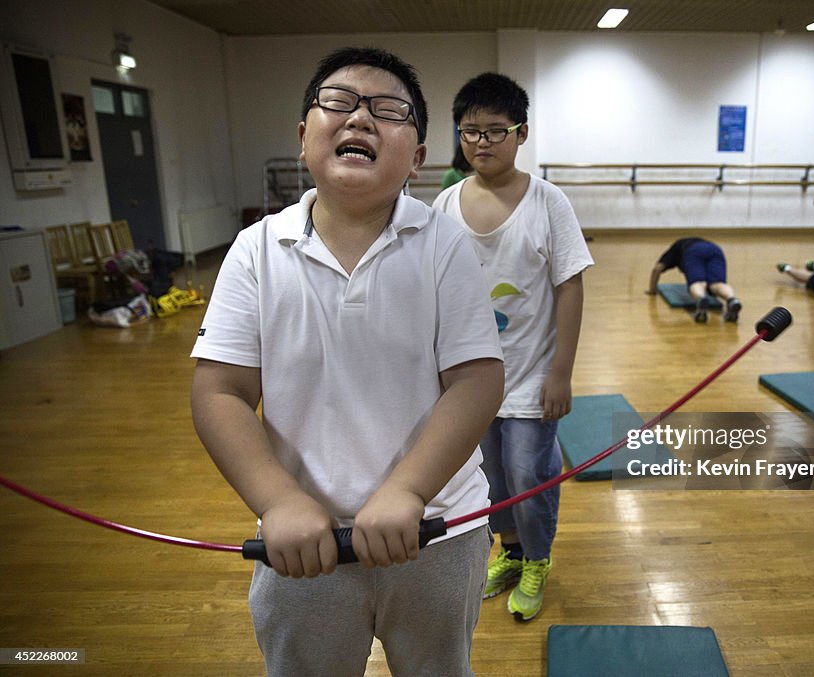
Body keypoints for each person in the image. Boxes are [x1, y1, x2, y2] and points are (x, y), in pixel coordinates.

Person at [190, 47, 505, 676]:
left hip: (437, 530)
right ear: (304, 138)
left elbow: (476, 379)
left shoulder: (445, 244)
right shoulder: (257, 249)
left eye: (389, 111)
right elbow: (219, 391)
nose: (360, 119)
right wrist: (277, 500)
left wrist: (410, 488)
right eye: (338, 102)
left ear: (417, 158)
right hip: (304, 544)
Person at [433, 72, 593, 622]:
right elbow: (434, 292)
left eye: (495, 131)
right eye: (470, 131)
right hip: (470, 379)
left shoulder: (549, 202)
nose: (481, 141)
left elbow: (569, 284)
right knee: (490, 478)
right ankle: (513, 551)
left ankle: (539, 559)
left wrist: (562, 373)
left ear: (521, 133)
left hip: (531, 374)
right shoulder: (445, 204)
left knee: (529, 473)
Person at [646, 237, 742, 323]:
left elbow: (657, 269)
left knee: (697, 282)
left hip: (692, 251)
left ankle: (701, 299)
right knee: (716, 283)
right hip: (715, 249)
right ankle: (732, 299)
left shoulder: (674, 250)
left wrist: (652, 290)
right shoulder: (692, 242)